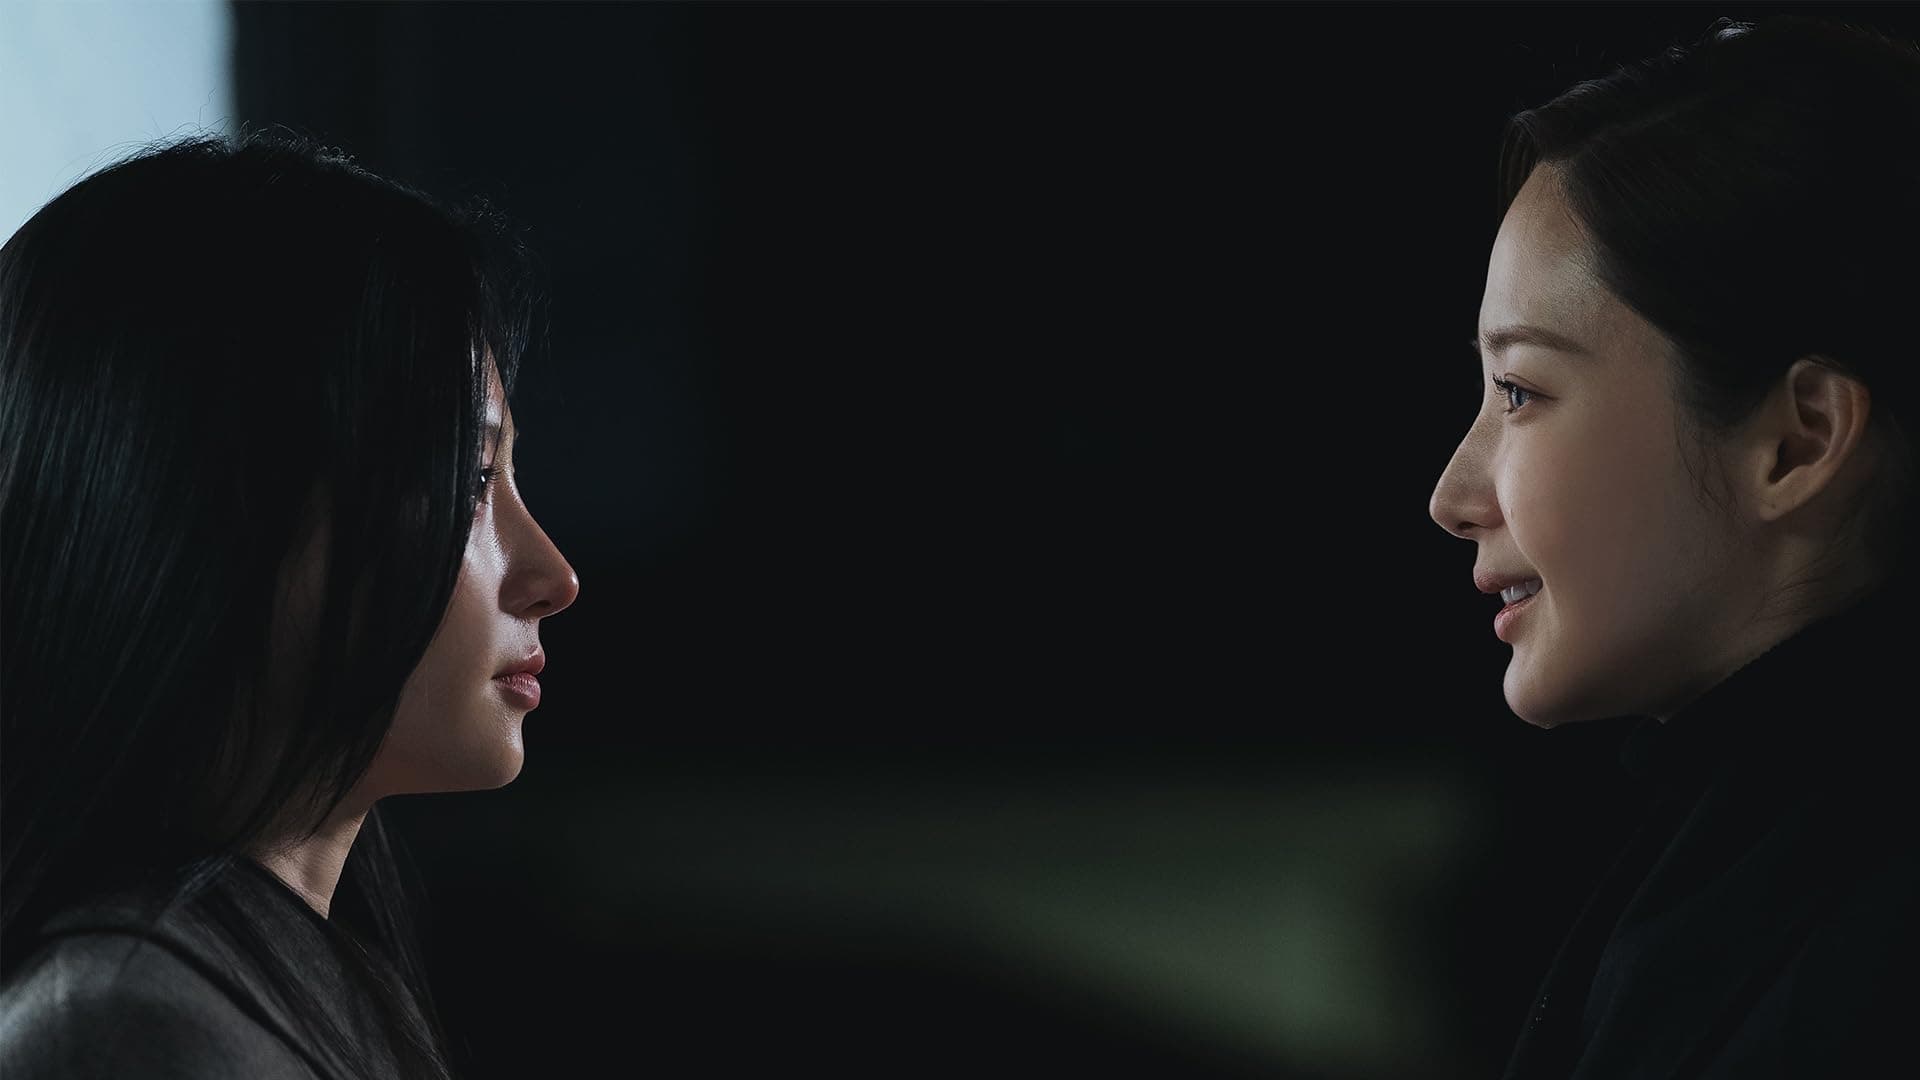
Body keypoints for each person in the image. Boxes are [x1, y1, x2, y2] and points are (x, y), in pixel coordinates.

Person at [0, 128, 581, 1079]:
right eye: (469, 482)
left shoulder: (267, 980)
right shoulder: (123, 1032)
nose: (553, 576)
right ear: (200, 508)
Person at [1428, 14, 1920, 1077]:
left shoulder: (1861, 947)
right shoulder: (1735, 867)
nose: (1452, 497)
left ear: (1800, 441)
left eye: (1519, 391)